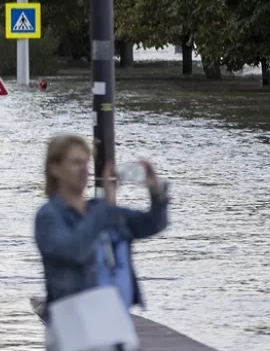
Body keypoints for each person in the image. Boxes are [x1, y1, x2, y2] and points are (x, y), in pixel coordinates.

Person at [33, 134, 170, 347]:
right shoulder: (49, 216)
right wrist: (106, 204)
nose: (84, 170)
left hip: (115, 322)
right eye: (76, 162)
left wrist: (156, 191)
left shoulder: (101, 211)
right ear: (55, 169)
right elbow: (74, 251)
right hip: (74, 325)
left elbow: (153, 224)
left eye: (86, 163)